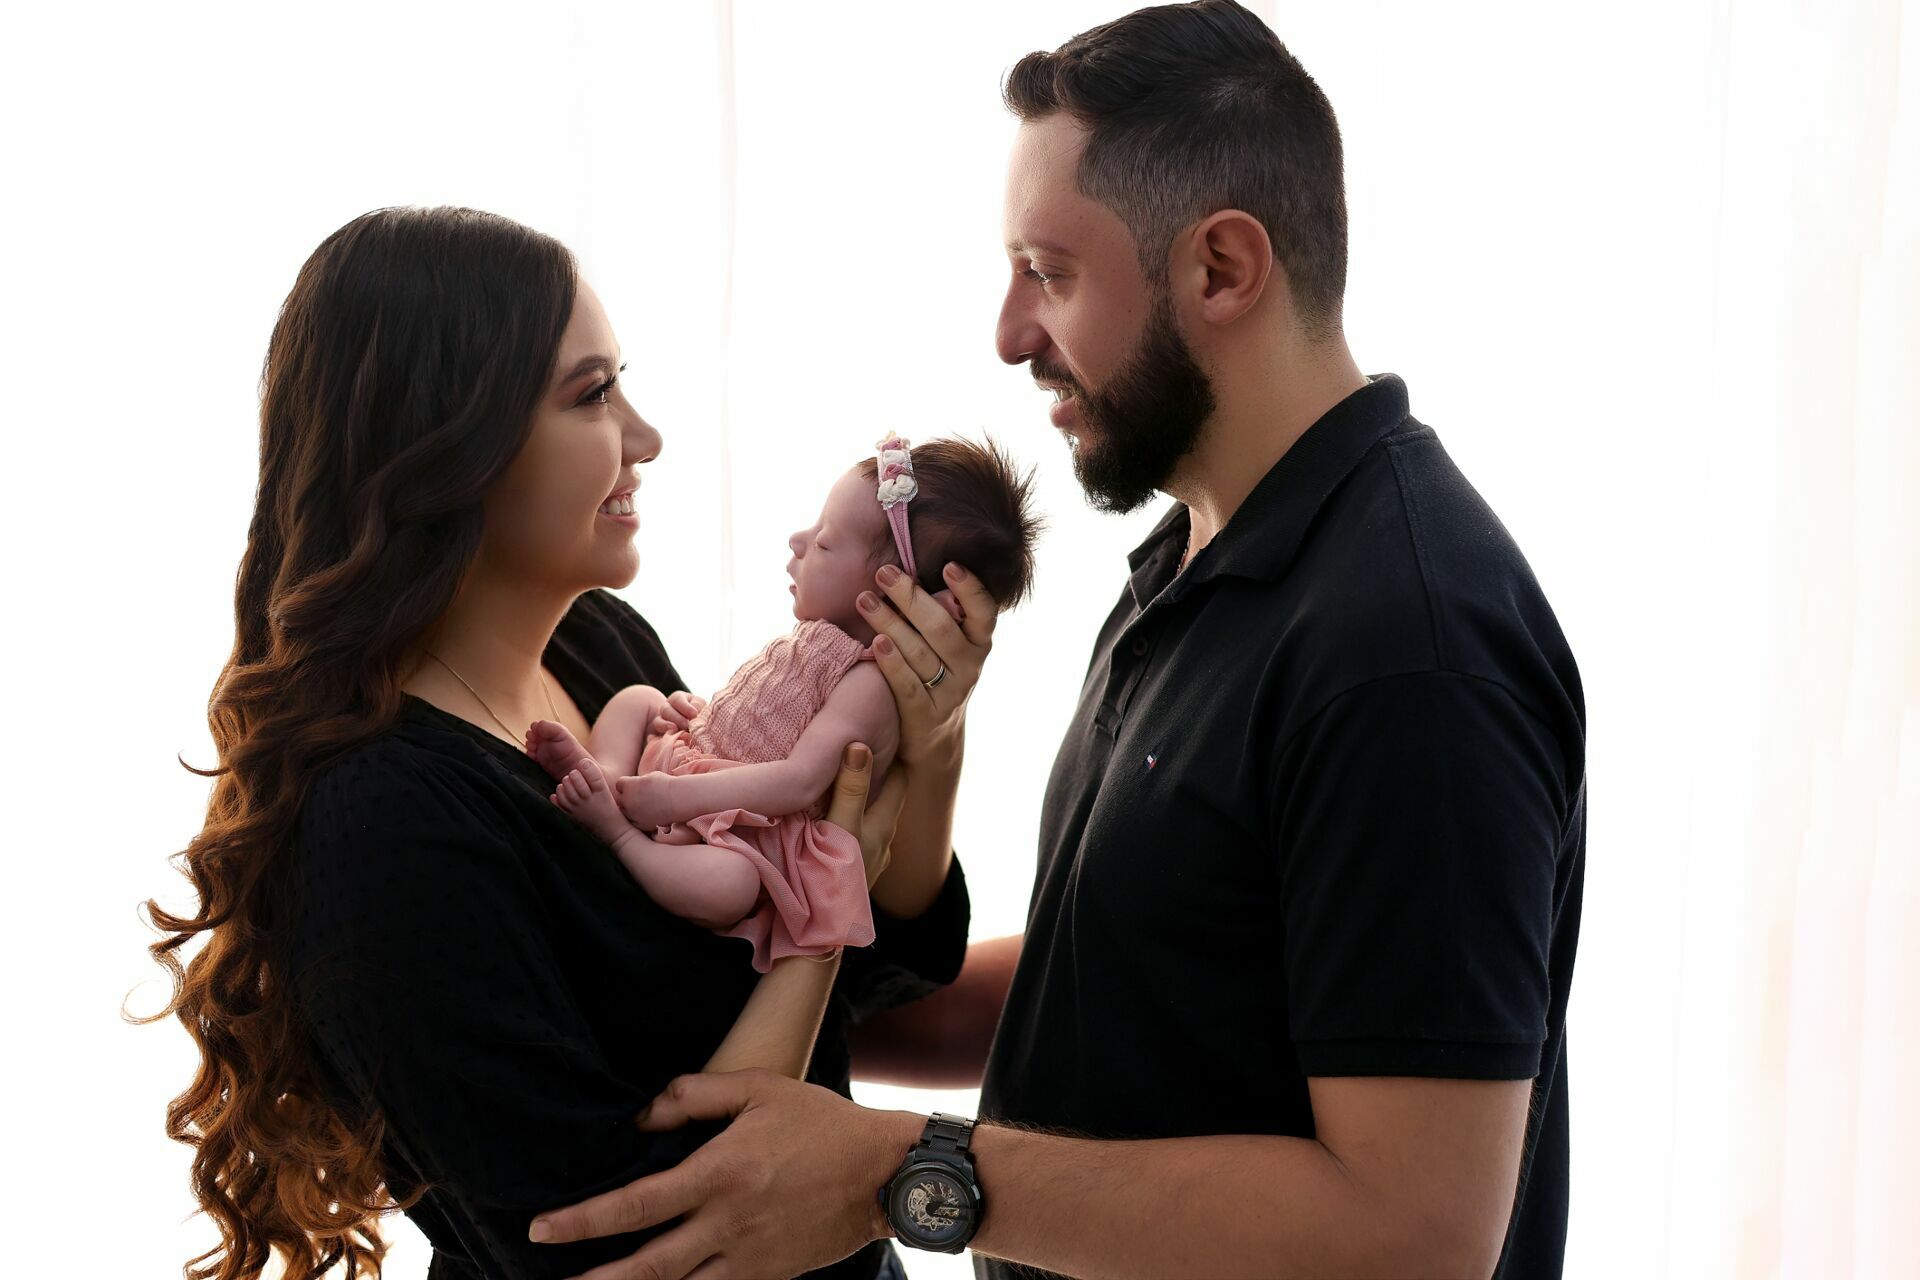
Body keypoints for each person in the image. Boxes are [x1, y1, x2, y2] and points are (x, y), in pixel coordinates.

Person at [528, 3, 1586, 1278]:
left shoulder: (1407, 648)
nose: (1009, 333)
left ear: (1222, 268)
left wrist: (894, 1171)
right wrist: (739, 967)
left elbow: (1412, 1232)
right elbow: (1132, 983)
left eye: (1051, 272)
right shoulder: (1191, 562)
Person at [141, 205, 1002, 1280]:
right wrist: (822, 910)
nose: (645, 437)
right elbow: (639, 1244)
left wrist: (932, 739)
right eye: (593, 395)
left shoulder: (600, 649)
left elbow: (890, 967)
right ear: (449, 449)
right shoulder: (381, 821)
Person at [523, 435, 1039, 973]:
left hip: (743, 829)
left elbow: (797, 781)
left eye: (825, 542)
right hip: (696, 774)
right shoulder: (819, 639)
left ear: (900, 595)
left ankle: (620, 835)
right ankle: (607, 774)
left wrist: (674, 798)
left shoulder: (870, 683)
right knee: (640, 697)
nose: (799, 540)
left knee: (733, 886)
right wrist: (697, 712)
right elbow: (764, 720)